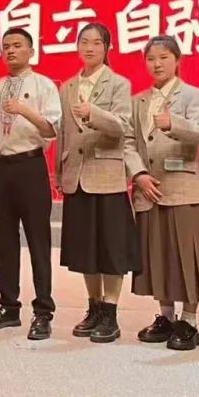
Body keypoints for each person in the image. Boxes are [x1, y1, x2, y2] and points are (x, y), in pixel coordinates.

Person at [125, 35, 199, 351]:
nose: (157, 64)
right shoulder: (138, 101)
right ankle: (165, 316)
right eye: (151, 58)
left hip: (182, 188)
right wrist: (138, 174)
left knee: (188, 255)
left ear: (177, 60)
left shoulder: (191, 95)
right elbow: (128, 142)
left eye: (164, 57)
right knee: (158, 254)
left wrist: (172, 124)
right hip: (149, 189)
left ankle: (189, 321)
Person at [56, 22, 138, 344]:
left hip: (107, 176)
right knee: (85, 249)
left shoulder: (118, 84)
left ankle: (111, 312)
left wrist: (93, 113)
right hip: (76, 176)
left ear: (107, 48)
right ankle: (93, 307)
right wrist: (59, 173)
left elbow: (122, 126)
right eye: (84, 42)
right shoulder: (67, 86)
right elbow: (63, 134)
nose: (89, 48)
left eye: (96, 43)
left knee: (111, 248)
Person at [0, 28, 60, 340]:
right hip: (2, 167)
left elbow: (51, 129)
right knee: (3, 241)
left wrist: (24, 109)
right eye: (6, 46)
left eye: (17, 45)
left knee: (38, 241)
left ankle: (43, 312)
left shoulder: (43, 85)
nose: (11, 51)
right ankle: (9, 307)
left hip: (31, 165)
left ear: (31, 51)